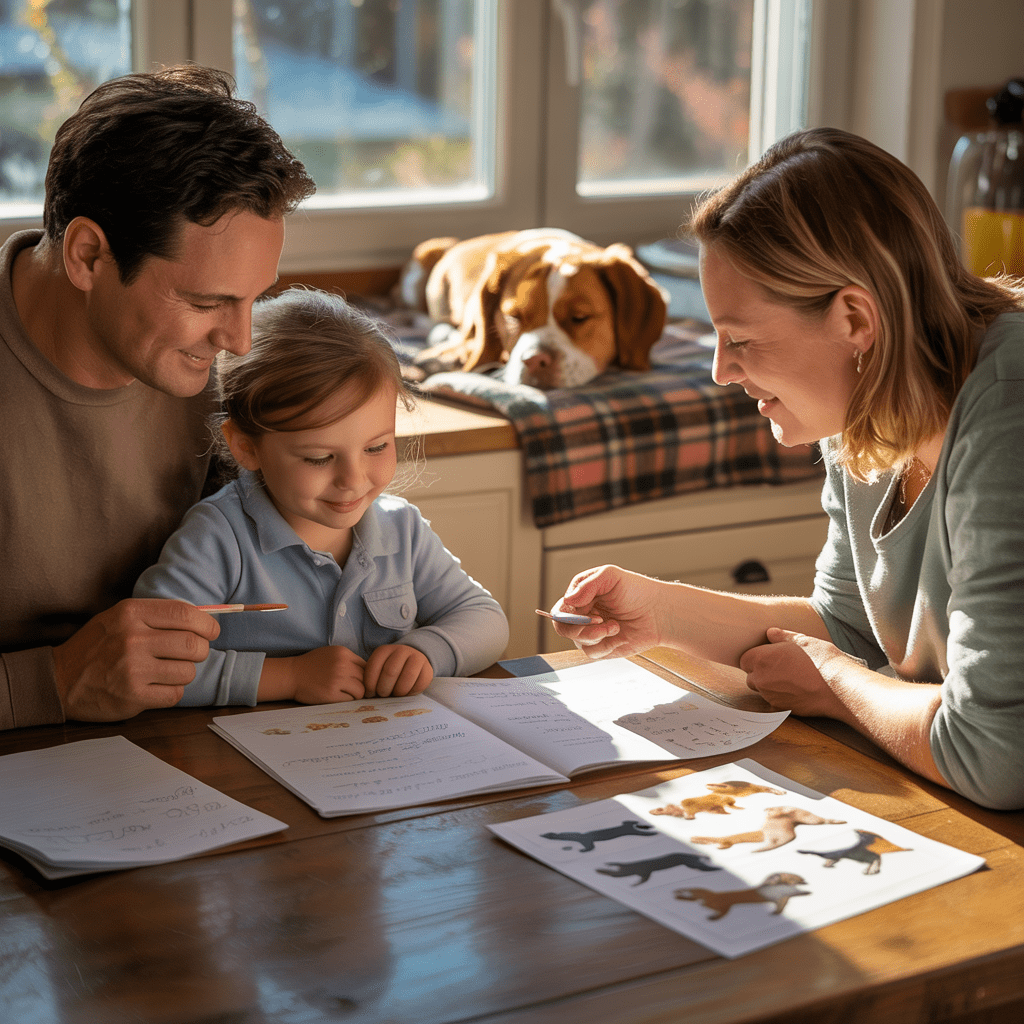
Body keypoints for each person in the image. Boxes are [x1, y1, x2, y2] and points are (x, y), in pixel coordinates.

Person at [549, 127, 1024, 811]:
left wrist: (835, 685)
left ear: (854, 318)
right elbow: (850, 628)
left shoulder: (1008, 407)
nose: (721, 371)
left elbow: (994, 754)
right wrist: (659, 614)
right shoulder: (867, 402)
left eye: (740, 339)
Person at [0, 65, 316, 730]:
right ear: (89, 256)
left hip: (172, 757)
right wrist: (51, 683)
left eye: (255, 298)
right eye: (208, 301)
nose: (238, 339)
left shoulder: (210, 374)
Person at [134, 287, 510, 704]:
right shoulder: (216, 539)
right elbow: (149, 665)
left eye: (376, 448)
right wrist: (289, 677)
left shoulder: (401, 529)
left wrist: (427, 651)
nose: (353, 479)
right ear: (247, 447)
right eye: (319, 458)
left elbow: (486, 619)